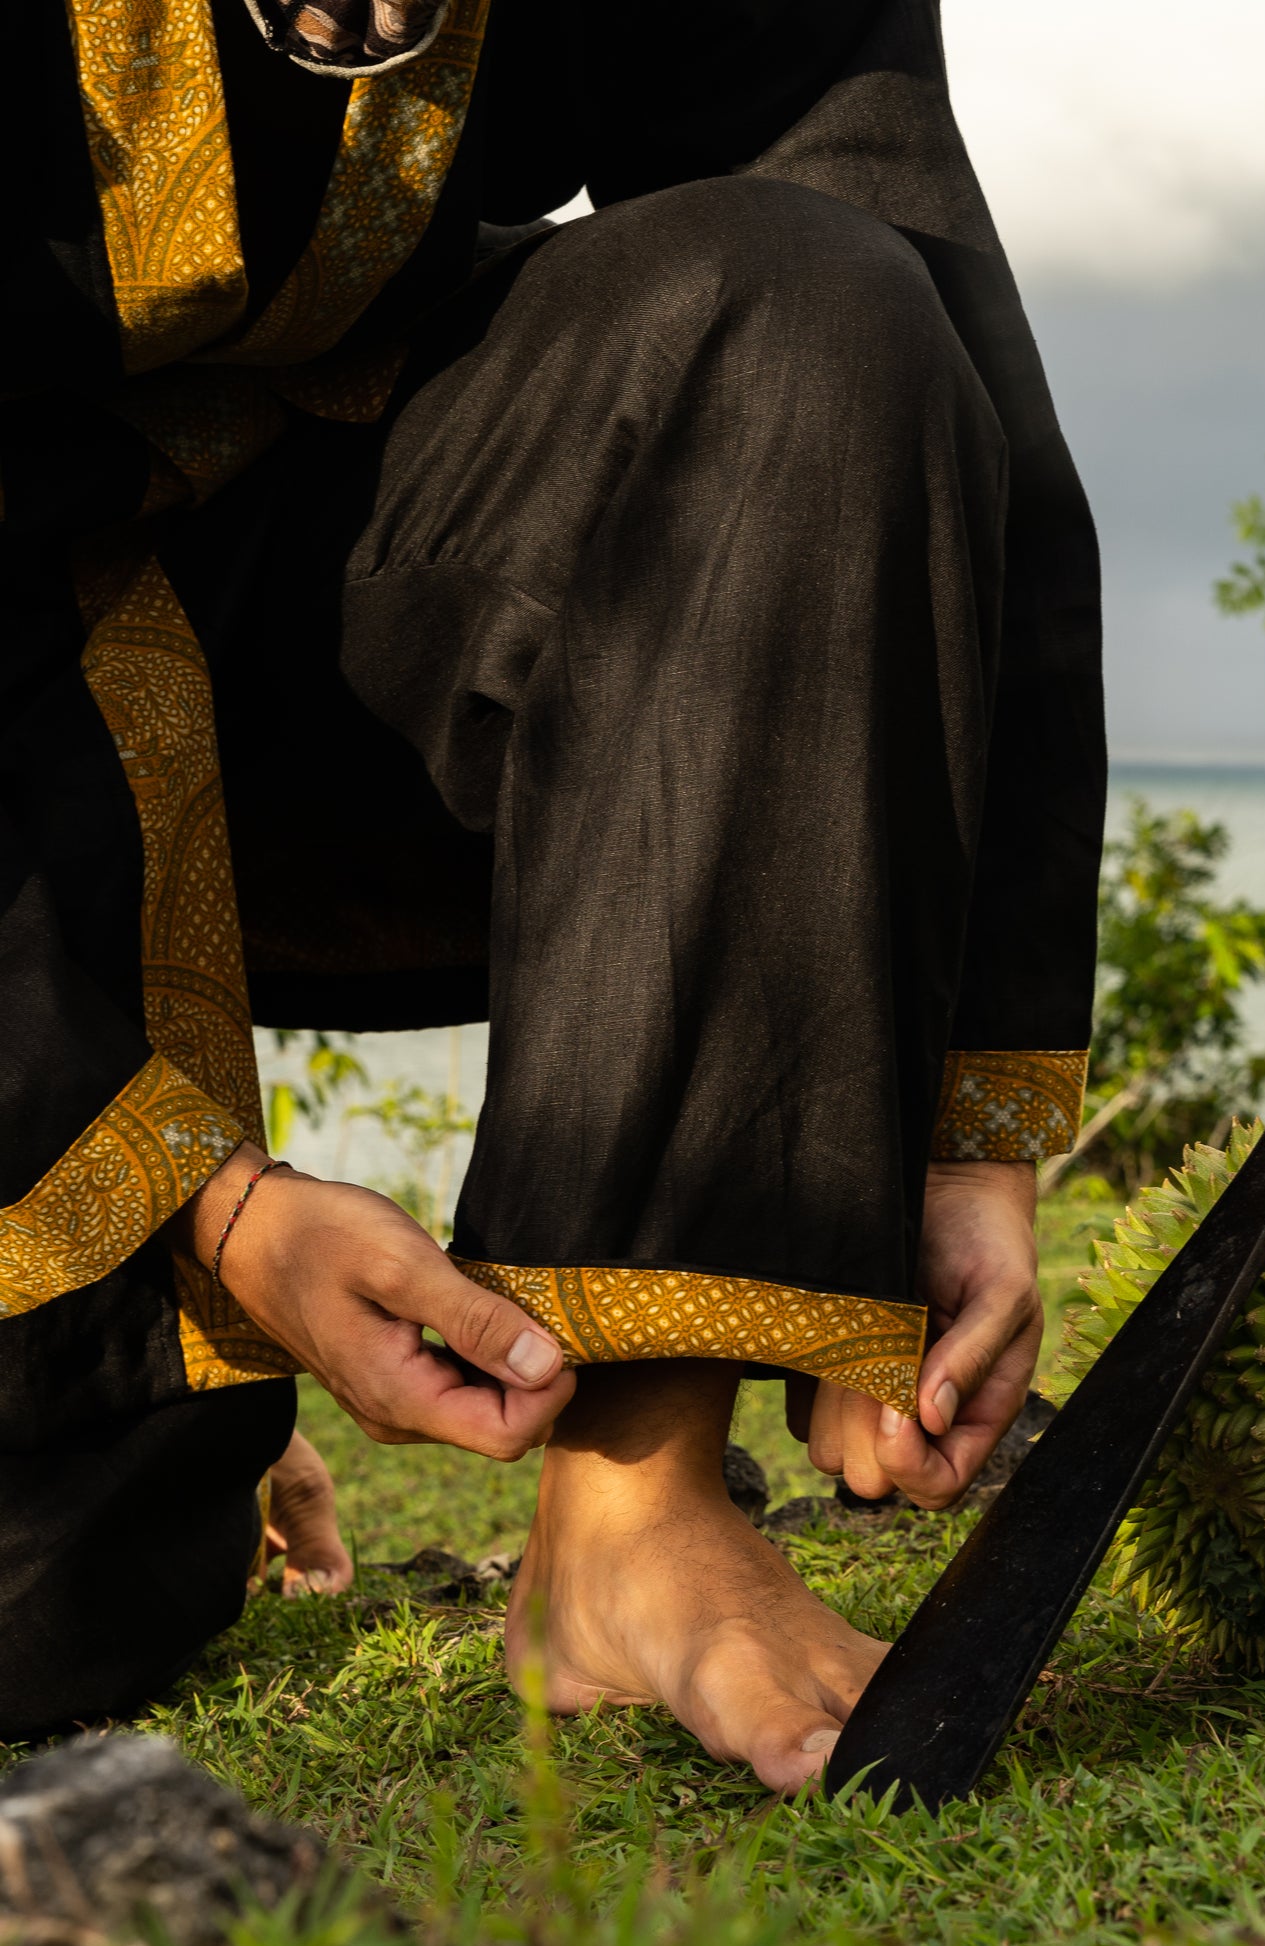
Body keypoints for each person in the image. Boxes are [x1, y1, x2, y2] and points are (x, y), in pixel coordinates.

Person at [0, 0, 1104, 1787]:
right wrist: (209, 1215)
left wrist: (958, 1129)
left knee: (807, 302)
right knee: (50, 1606)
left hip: (311, 611)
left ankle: (636, 1510)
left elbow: (938, 346)